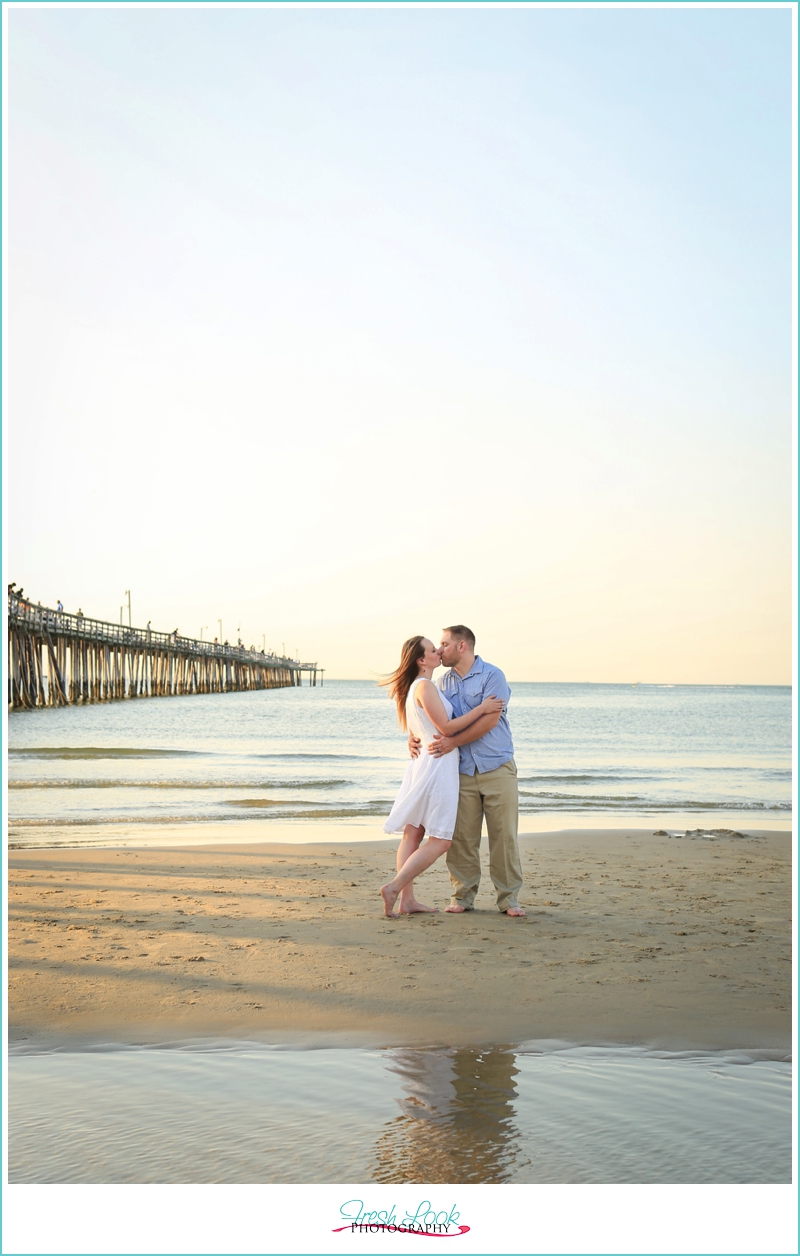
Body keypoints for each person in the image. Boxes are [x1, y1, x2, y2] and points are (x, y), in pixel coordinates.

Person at [379, 636, 504, 918]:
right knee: (441, 840)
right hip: (438, 764)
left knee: (413, 833)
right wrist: (481, 708)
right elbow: (446, 728)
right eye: (433, 649)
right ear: (422, 660)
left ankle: (407, 900)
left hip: (425, 762)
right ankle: (395, 887)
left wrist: (413, 738)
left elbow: (424, 727)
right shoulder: (424, 686)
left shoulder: (417, 687)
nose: (438, 652)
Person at [409, 626, 525, 917]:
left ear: (462, 646)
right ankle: (463, 896)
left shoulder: (492, 676)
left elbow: (489, 721)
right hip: (460, 770)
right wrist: (412, 737)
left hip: (496, 766)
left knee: (504, 836)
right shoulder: (442, 683)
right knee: (462, 838)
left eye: (445, 644)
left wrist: (451, 743)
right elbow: (429, 716)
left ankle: (508, 899)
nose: (440, 649)